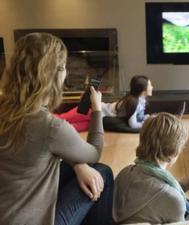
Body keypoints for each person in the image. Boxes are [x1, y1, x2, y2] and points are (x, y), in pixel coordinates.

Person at [0, 33, 113, 225]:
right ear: (55, 73)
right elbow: (94, 152)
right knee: (102, 172)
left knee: (84, 171)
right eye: (65, 67)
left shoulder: (7, 110)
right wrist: (96, 110)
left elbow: (45, 148)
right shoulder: (51, 126)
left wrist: (78, 165)